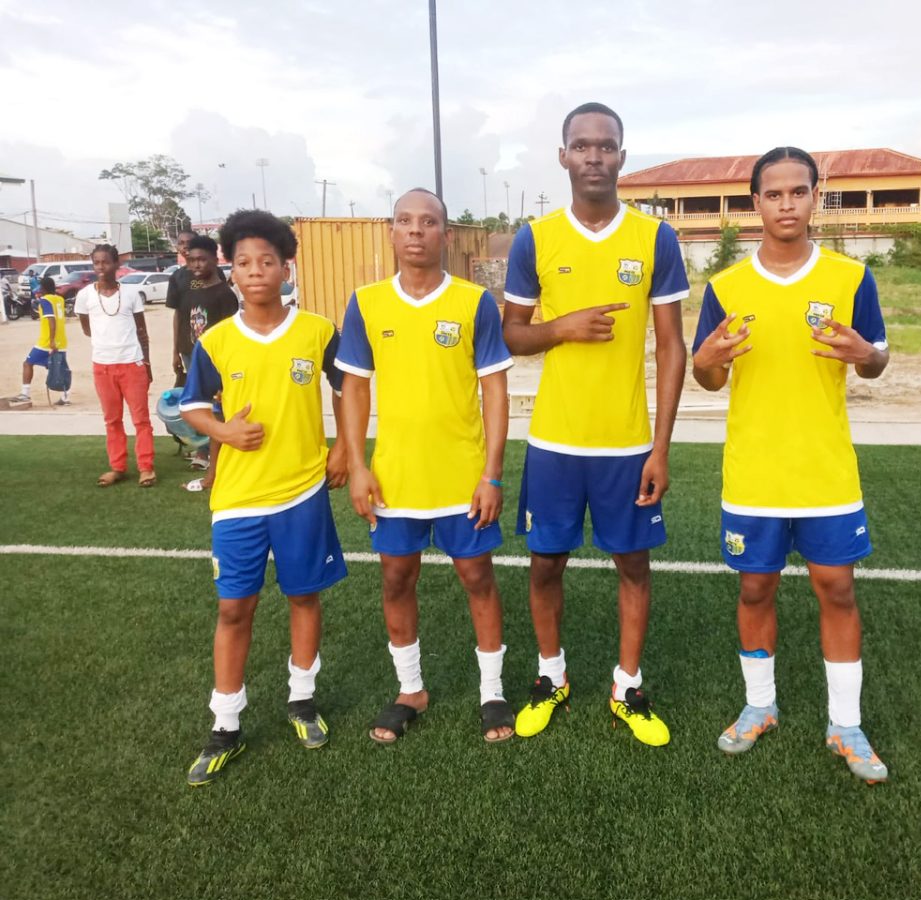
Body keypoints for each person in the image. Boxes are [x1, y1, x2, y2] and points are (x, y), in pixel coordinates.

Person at [692, 147, 890, 783]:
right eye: (772, 194)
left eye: (797, 192)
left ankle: (846, 724)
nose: (786, 204)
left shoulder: (851, 279)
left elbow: (875, 360)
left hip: (825, 471)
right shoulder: (725, 286)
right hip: (754, 472)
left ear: (815, 197)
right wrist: (708, 358)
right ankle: (759, 706)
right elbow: (709, 377)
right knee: (756, 587)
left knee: (837, 588)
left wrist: (866, 353)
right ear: (756, 203)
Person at [502, 102, 688, 747]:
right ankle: (551, 677)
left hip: (628, 443)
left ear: (622, 157)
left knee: (633, 567)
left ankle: (626, 686)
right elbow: (511, 335)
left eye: (605, 146)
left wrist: (660, 446)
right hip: (555, 443)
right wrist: (561, 329)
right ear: (562, 157)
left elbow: (671, 346)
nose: (594, 157)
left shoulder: (654, 238)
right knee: (545, 565)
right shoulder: (536, 237)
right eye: (581, 146)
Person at [337, 188, 516, 744]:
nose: (415, 230)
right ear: (391, 233)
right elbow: (353, 389)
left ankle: (492, 692)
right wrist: (358, 465)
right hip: (396, 477)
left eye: (428, 221)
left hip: (462, 477)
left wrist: (491, 474)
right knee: (396, 577)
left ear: (446, 235)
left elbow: (494, 390)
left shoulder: (474, 303)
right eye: (404, 221)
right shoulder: (366, 303)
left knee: (477, 577)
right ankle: (410, 689)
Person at [179, 209, 348, 786]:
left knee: (303, 597)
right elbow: (191, 405)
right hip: (239, 499)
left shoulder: (319, 331)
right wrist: (223, 431)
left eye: (266, 261)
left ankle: (302, 699)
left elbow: (350, 387)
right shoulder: (219, 340)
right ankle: (225, 724)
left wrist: (347, 446)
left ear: (285, 268)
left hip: (302, 491)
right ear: (230, 270)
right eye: (244, 262)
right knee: (234, 607)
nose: (255, 272)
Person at [74, 245, 156, 487]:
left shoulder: (130, 293)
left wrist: (147, 364)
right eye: (96, 262)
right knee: (112, 419)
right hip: (103, 366)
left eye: (106, 262)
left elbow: (142, 332)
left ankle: (146, 467)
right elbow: (87, 328)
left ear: (116, 264)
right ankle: (117, 467)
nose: (101, 267)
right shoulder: (85, 296)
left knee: (141, 419)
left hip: (132, 364)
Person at [176, 235, 240, 491]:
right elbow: (183, 324)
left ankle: (213, 476)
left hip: (219, 368)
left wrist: (223, 374)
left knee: (219, 419)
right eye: (191, 260)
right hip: (195, 361)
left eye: (202, 259)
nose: (196, 265)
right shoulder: (191, 292)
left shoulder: (224, 294)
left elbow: (232, 337)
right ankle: (213, 472)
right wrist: (177, 354)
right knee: (208, 417)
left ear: (215, 260)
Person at [166, 229, 226, 387]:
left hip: (215, 349)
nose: (185, 246)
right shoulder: (176, 278)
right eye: (181, 243)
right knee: (197, 389)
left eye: (189, 243)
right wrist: (175, 351)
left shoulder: (215, 274)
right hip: (189, 349)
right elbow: (178, 315)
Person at [9, 276, 69, 408]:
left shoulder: (45, 301)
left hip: (47, 342)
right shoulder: (59, 299)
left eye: (41, 287)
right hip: (62, 341)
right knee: (60, 368)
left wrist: (51, 341)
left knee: (27, 363)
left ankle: (25, 393)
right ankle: (65, 397)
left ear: (44, 288)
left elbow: (51, 321)